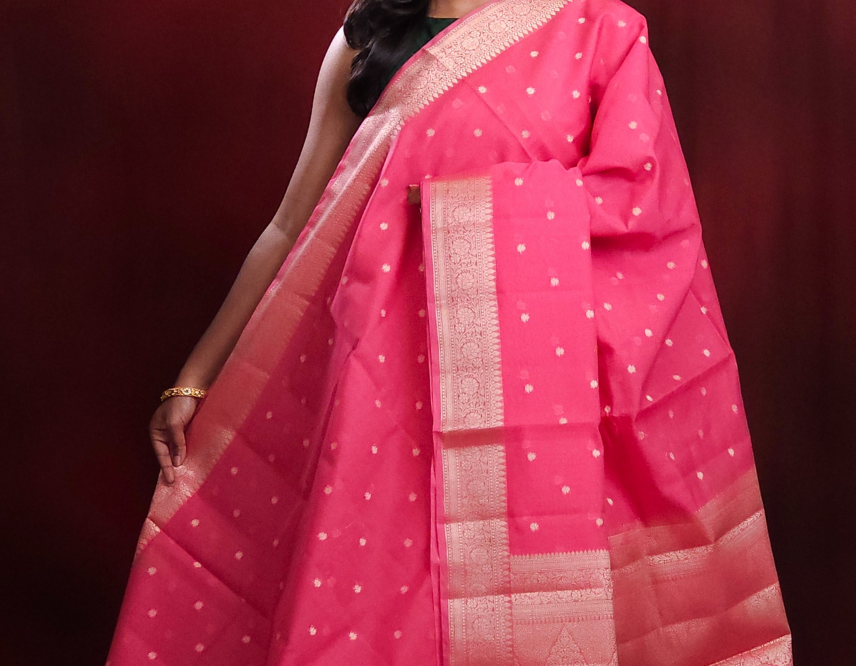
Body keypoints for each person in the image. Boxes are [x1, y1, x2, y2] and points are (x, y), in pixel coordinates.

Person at [107, 0, 793, 664]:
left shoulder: (599, 29)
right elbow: (293, 226)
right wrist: (195, 377)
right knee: (369, 609)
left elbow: (643, 211)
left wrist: (469, 208)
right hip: (375, 388)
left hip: (535, 403)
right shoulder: (368, 36)